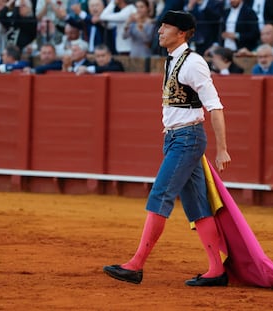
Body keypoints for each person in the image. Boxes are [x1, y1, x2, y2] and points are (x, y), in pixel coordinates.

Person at [103, 10, 231, 286]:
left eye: (166, 27)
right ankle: (216, 270)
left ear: (181, 33)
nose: (159, 31)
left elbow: (215, 106)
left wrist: (222, 148)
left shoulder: (193, 63)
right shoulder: (172, 61)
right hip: (175, 138)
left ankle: (136, 265)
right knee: (197, 206)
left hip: (187, 139)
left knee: (160, 195)